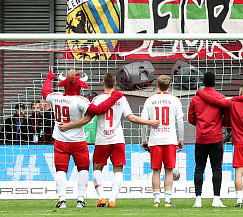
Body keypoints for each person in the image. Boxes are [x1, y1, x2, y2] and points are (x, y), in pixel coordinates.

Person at [59, 73, 158, 208]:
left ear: (103, 83)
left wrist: (68, 126)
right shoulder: (121, 98)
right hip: (117, 139)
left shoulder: (97, 99)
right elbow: (131, 118)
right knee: (118, 170)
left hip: (102, 140)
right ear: (115, 83)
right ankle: (113, 199)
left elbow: (87, 119)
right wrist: (149, 122)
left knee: (97, 168)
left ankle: (102, 197)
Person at [42, 70, 96, 209]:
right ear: (80, 86)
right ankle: (80, 199)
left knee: (60, 170)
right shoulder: (81, 100)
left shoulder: (55, 97)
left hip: (60, 140)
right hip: (78, 140)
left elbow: (45, 91)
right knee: (83, 168)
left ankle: (62, 200)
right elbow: (92, 114)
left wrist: (49, 78)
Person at [140, 74, 185, 207]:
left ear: (157, 85)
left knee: (156, 170)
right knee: (169, 170)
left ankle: (156, 200)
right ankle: (167, 200)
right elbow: (180, 121)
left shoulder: (150, 100)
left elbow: (143, 122)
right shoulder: (175, 100)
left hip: (155, 140)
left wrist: (144, 139)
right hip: (170, 139)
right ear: (169, 86)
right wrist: (180, 139)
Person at [186, 70, 229, 208]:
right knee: (217, 169)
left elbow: (190, 118)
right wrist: (220, 124)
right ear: (214, 82)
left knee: (199, 169)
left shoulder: (195, 99)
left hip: (201, 138)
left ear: (203, 82)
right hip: (216, 138)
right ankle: (216, 199)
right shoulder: (220, 97)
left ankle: (198, 199)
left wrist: (200, 125)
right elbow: (227, 117)